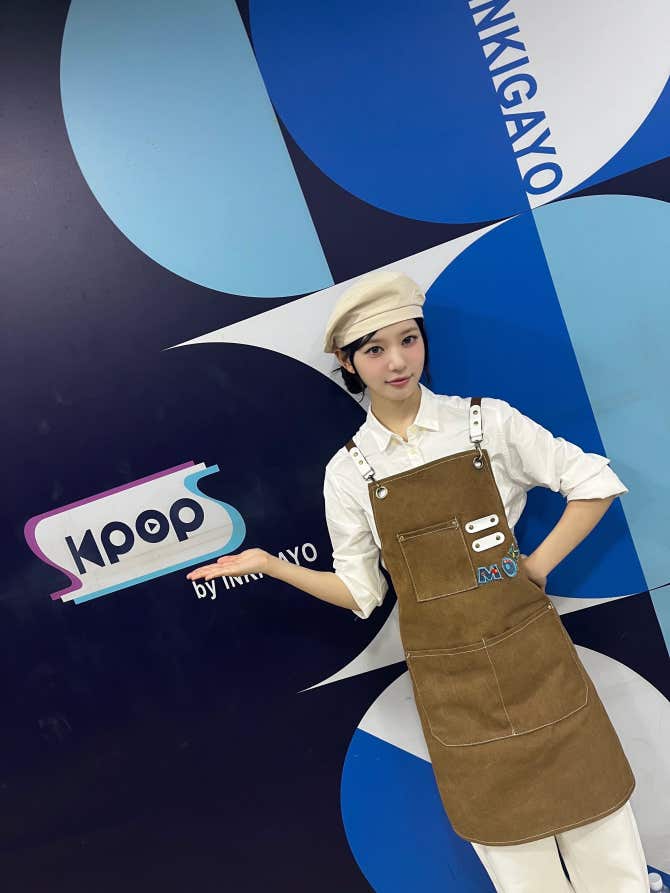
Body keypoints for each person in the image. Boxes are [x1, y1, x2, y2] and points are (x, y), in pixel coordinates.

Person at [186, 270, 650, 892]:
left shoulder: (486, 423)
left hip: (538, 665)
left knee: (610, 855)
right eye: (375, 350)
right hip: (455, 693)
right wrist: (272, 565)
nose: (398, 362)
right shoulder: (349, 472)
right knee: (521, 872)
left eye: (408, 340)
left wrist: (535, 567)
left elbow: (593, 482)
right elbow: (362, 594)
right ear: (348, 363)